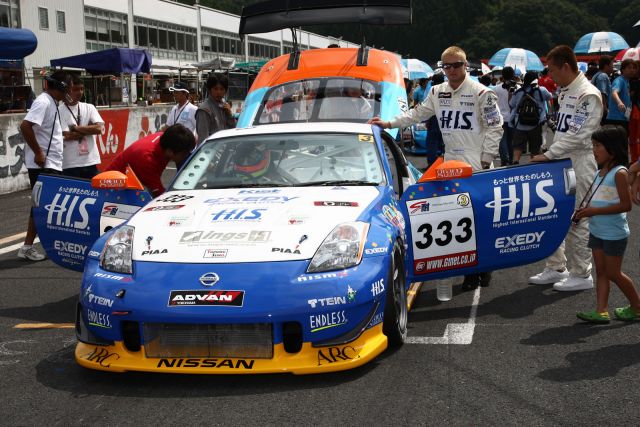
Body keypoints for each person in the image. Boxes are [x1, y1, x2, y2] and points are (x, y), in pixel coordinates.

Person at [369, 45, 503, 290]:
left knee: (481, 217)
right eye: (446, 66)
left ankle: (485, 266)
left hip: (477, 162)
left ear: (466, 66)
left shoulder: (482, 92)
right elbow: (416, 114)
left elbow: (495, 127)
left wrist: (486, 158)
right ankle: (470, 270)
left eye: (456, 65)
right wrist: (388, 122)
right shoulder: (437, 91)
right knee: (461, 217)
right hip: (451, 161)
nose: (451, 70)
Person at [529, 45, 603, 291]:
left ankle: (582, 273)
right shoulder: (565, 92)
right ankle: (556, 266)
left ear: (566, 67)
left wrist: (548, 154)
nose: (550, 76)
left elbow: (580, 136)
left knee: (577, 218)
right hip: (560, 162)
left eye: (552, 70)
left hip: (579, 162)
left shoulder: (587, 94)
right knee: (553, 214)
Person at [574, 125, 640, 323]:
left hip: (614, 233)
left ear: (612, 148)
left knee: (613, 273)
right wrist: (584, 211)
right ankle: (601, 310)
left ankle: (637, 306)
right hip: (597, 230)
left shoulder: (619, 173)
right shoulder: (600, 171)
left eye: (597, 145)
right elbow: (598, 198)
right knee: (601, 271)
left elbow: (626, 205)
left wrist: (593, 211)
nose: (594, 150)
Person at [17, 70, 70, 261]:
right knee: (40, 206)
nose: (69, 92)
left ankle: (41, 244)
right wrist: (39, 152)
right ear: (61, 87)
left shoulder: (53, 103)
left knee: (46, 206)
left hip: (51, 163)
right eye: (68, 87)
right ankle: (27, 246)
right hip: (42, 164)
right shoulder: (43, 101)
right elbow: (25, 126)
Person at [106, 124, 195, 198]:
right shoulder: (147, 159)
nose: (186, 156)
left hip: (131, 186)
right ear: (170, 151)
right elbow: (158, 195)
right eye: (184, 153)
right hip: (111, 189)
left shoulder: (165, 139)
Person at [60, 74, 104, 178]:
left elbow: (99, 129)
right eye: (75, 89)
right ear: (67, 90)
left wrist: (75, 128)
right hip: (69, 163)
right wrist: (89, 129)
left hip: (90, 161)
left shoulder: (89, 107)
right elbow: (68, 135)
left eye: (81, 89)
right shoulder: (59, 111)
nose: (79, 92)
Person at [509, 71, 552, 164]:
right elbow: (549, 97)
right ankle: (533, 163)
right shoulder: (542, 90)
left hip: (520, 123)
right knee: (535, 147)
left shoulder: (518, 92)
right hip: (536, 123)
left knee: (518, 146)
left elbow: (511, 104)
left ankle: (516, 161)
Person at [195, 73, 236, 145]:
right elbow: (203, 140)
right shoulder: (204, 110)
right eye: (215, 89)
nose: (219, 92)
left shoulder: (224, 106)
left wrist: (230, 115)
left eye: (222, 89)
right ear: (210, 90)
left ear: (225, 91)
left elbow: (234, 129)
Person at [494, 66, 519, 166]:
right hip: (514, 118)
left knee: (502, 140)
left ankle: (505, 159)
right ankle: (512, 159)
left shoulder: (496, 89)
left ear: (502, 76)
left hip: (500, 118)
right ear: (513, 75)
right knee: (512, 140)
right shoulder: (518, 88)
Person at [605, 59, 637, 132]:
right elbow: (614, 92)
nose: (632, 70)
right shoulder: (619, 80)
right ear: (623, 69)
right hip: (616, 119)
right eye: (629, 68)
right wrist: (619, 102)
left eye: (634, 68)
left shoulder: (626, 81)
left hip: (623, 118)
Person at [591, 55, 613, 123]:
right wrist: (604, 107)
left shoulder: (596, 75)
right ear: (606, 66)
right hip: (601, 109)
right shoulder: (603, 76)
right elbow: (602, 92)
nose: (613, 68)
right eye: (611, 65)